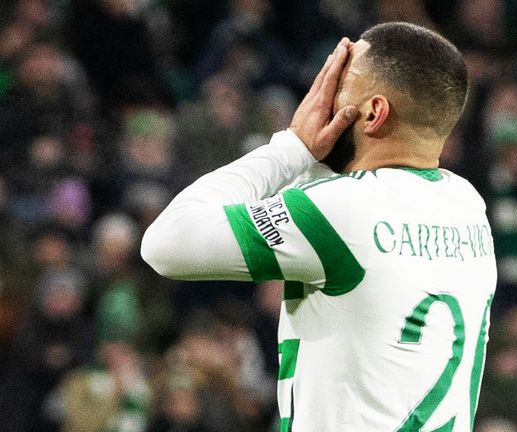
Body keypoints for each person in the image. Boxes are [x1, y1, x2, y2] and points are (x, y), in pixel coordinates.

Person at [141, 22, 497, 431]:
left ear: (375, 113)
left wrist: (291, 148)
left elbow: (166, 242)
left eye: (338, 83)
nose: (321, 101)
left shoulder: (343, 209)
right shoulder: (467, 204)